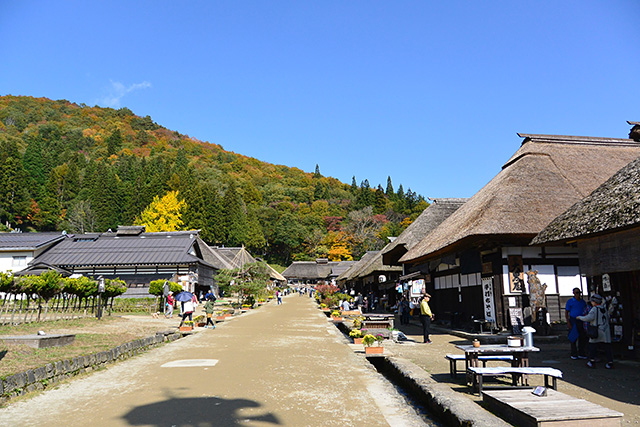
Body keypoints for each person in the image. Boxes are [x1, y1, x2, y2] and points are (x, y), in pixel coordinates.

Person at [577, 294, 613, 369]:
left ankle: (592, 361)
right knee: (607, 347)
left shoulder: (594, 309)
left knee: (592, 346)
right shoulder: (604, 308)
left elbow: (589, 318)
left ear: (594, 302)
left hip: (597, 330)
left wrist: (580, 317)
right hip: (605, 330)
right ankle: (610, 362)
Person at [565, 287, 588, 359]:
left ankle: (581, 352)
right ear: (574, 293)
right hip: (573, 319)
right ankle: (574, 353)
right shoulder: (570, 301)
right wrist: (568, 321)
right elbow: (566, 312)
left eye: (579, 293)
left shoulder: (583, 302)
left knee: (582, 337)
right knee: (573, 336)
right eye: (576, 293)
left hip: (581, 319)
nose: (578, 294)